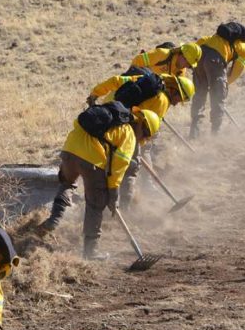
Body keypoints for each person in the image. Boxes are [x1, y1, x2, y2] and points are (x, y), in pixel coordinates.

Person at [40, 107, 162, 260]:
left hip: (69, 149)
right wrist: (113, 195)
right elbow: (117, 169)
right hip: (90, 158)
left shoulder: (112, 121)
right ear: (142, 127)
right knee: (97, 202)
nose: (142, 140)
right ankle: (91, 252)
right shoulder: (128, 133)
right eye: (145, 135)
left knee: (67, 183)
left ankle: (54, 220)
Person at [86, 72, 195, 209]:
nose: (177, 103)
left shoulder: (151, 81)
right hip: (125, 128)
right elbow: (146, 126)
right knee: (132, 165)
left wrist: (96, 93)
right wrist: (137, 145)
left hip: (110, 110)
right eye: (179, 99)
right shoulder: (162, 100)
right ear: (174, 90)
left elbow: (117, 80)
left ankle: (137, 189)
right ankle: (125, 205)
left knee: (130, 158)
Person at [189, 24, 245, 139]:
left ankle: (194, 133)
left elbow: (202, 40)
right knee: (218, 99)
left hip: (200, 55)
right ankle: (215, 135)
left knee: (199, 96)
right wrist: (219, 86)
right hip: (216, 60)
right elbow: (234, 74)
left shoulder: (224, 38)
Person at [127, 42, 202, 77]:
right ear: (182, 55)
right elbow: (138, 60)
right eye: (188, 63)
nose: (187, 66)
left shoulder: (181, 72)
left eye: (189, 66)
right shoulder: (162, 54)